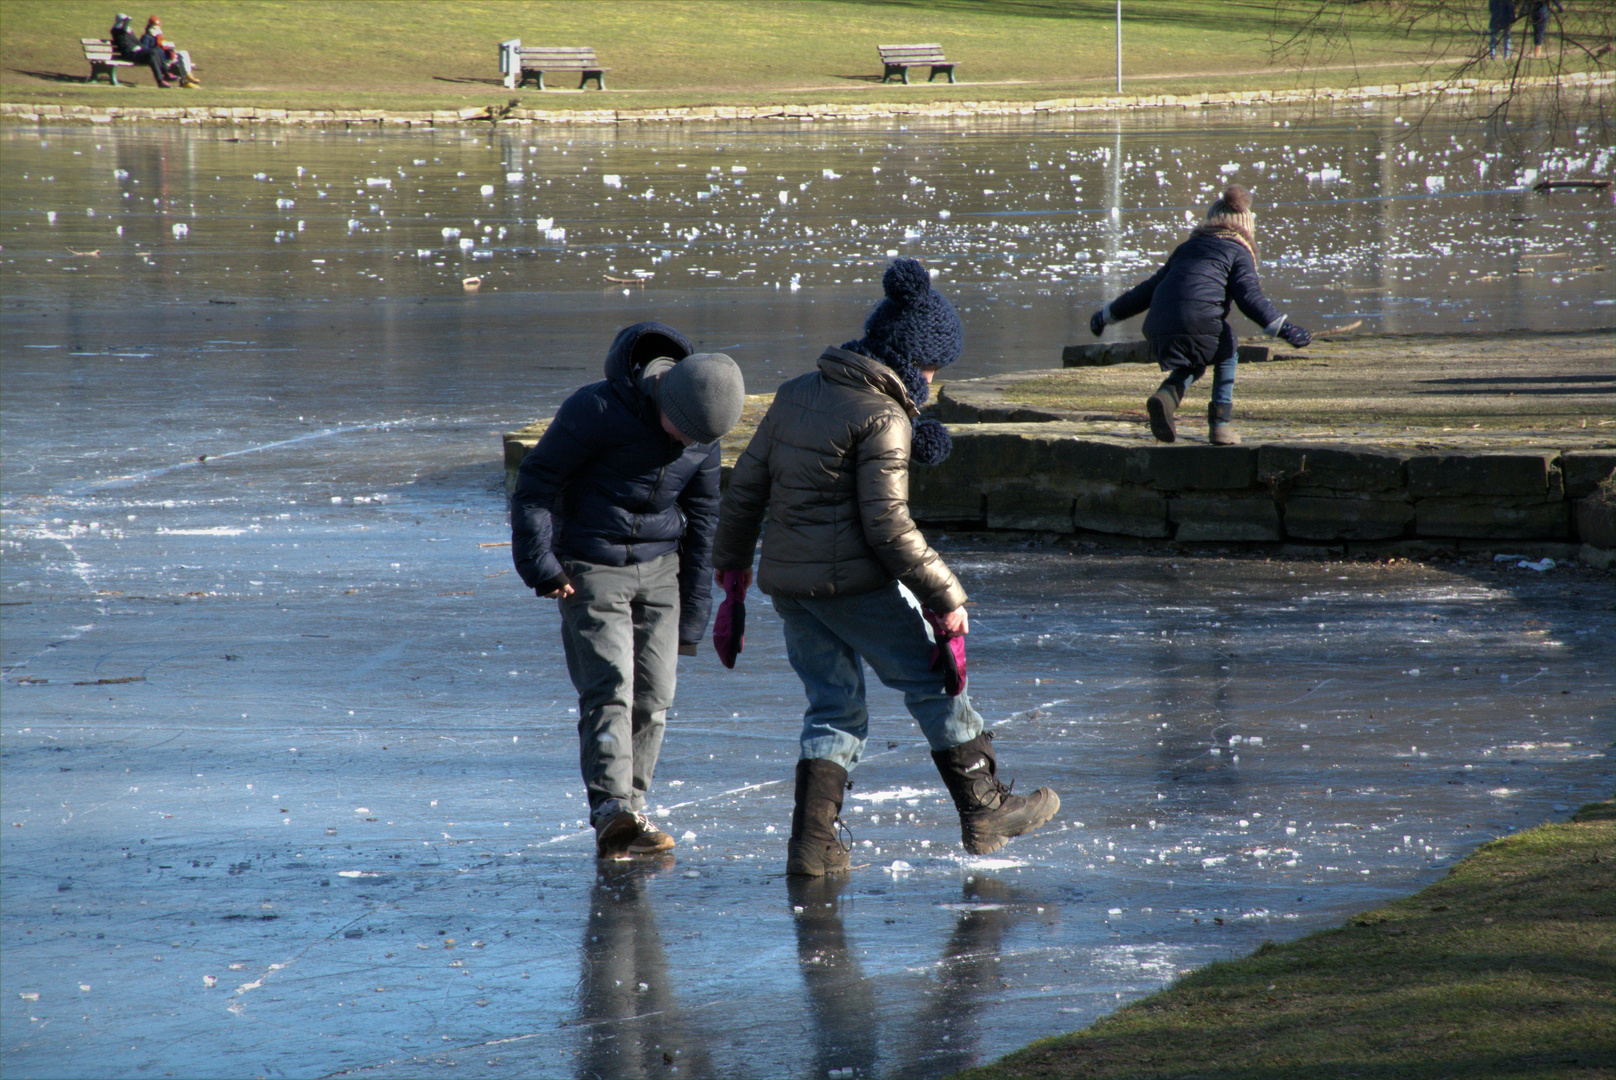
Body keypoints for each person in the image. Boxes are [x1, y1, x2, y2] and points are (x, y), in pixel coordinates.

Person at [711, 258, 1060, 878]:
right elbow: (889, 527)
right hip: (857, 586)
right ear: (910, 359)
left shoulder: (795, 393)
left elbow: (743, 494)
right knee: (933, 683)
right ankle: (984, 809)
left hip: (792, 587)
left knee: (831, 709)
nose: (932, 379)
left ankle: (813, 847)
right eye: (932, 367)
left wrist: (733, 574)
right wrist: (946, 595)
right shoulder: (885, 416)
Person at [511, 323, 745, 860]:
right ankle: (611, 808)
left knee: (655, 694)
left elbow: (705, 518)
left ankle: (631, 811)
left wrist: (693, 618)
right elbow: (536, 484)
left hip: (661, 570)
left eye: (699, 442)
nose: (689, 445)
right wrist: (541, 565)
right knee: (610, 685)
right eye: (684, 434)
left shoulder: (701, 433)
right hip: (591, 566)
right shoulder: (595, 411)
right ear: (666, 399)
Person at [1088, 184, 1311, 446]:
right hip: (1198, 322)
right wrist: (1284, 329)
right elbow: (1249, 299)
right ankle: (1220, 425)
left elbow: (1147, 290)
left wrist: (1106, 316)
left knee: (1197, 355)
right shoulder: (1238, 252)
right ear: (1246, 229)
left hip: (1158, 326)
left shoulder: (1186, 249)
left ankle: (1167, 396)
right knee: (1226, 343)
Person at [109, 12, 171, 87]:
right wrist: (127, 21)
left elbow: (136, 41)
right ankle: (165, 75)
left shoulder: (128, 31)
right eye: (123, 20)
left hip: (136, 53)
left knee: (152, 56)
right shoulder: (117, 30)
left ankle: (161, 79)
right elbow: (123, 30)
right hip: (129, 54)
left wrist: (140, 47)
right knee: (152, 52)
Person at [139, 16, 199, 88]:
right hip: (160, 59)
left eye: (158, 27)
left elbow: (164, 47)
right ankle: (185, 81)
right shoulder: (146, 37)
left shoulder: (159, 37)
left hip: (166, 55)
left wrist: (168, 48)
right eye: (154, 27)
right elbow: (145, 50)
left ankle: (188, 76)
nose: (156, 29)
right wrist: (159, 47)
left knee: (183, 53)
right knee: (179, 62)